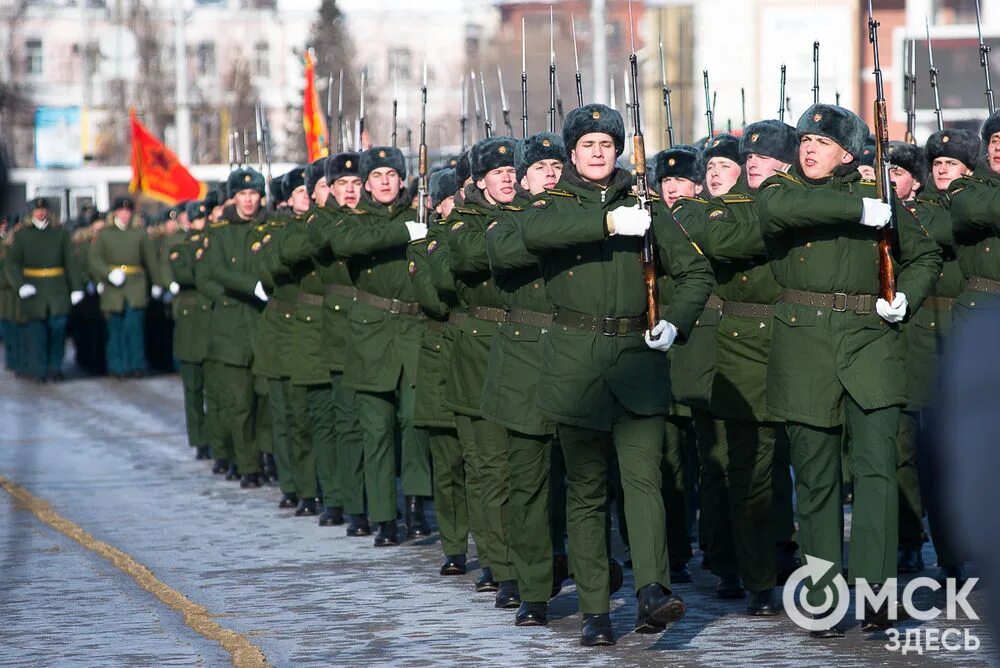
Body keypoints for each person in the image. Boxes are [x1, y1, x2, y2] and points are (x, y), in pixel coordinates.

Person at [520, 103, 714, 646]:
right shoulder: (552, 203)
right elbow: (535, 234)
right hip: (576, 362)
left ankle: (653, 589)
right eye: (588, 145)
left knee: (643, 481)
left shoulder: (645, 204)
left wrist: (674, 323)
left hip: (636, 358)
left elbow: (696, 271)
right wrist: (607, 222)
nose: (599, 153)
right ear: (572, 152)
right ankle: (595, 608)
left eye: (607, 144)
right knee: (585, 491)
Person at [757, 103, 942, 636]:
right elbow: (780, 214)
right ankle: (821, 597)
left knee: (878, 470)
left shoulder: (879, 196)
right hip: (805, 344)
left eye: (822, 144)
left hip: (869, 341)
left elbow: (925, 256)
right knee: (816, 478)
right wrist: (860, 209)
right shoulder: (781, 190)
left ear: (848, 152)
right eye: (804, 142)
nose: (808, 149)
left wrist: (905, 297)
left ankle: (878, 594)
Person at [698, 120, 800, 615]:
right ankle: (758, 577)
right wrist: (788, 220)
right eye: (749, 156)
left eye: (764, 156)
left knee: (815, 468)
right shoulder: (725, 209)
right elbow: (723, 245)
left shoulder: (807, 200)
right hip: (743, 342)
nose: (752, 162)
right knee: (750, 471)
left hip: (803, 340)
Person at [482, 131, 571, 626]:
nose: (551, 175)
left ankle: (580, 566)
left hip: (577, 356)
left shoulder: (582, 214)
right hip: (524, 361)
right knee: (529, 481)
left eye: (558, 167)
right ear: (521, 178)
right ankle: (532, 585)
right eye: (540, 169)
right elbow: (507, 254)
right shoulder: (506, 221)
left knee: (581, 480)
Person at [328, 146, 431, 546]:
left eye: (392, 174)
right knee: (376, 431)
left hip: (413, 328)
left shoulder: (418, 215)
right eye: (377, 176)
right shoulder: (354, 221)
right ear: (367, 184)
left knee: (412, 422)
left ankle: (415, 505)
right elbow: (349, 245)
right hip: (371, 334)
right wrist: (404, 233)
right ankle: (384, 516)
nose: (385, 181)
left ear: (402, 180)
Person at [196, 167, 270, 487]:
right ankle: (247, 465)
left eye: (254, 194)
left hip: (263, 322)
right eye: (243, 194)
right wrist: (243, 288)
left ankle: (267, 457)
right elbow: (212, 272)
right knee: (239, 404)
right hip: (231, 326)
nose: (249, 200)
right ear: (234, 197)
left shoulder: (270, 226)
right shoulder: (221, 231)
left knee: (265, 399)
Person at [5, 197, 84, 382]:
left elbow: (70, 262)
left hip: (57, 288)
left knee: (58, 328)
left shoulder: (60, 234)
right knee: (37, 332)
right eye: (36, 210)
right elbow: (12, 264)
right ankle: (38, 369)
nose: (40, 213)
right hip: (34, 288)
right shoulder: (22, 235)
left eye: (43, 210)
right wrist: (21, 285)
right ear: (31, 212)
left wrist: (76, 287)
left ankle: (54, 367)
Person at [87, 196, 165, 379]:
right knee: (115, 330)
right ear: (115, 213)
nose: (124, 215)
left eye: (127, 211)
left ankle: (135, 365)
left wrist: (157, 283)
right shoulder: (105, 234)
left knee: (134, 328)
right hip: (113, 287)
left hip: (135, 286)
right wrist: (107, 274)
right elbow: (94, 260)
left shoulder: (139, 233)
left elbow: (150, 261)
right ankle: (117, 366)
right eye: (121, 211)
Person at [167, 200, 210, 459]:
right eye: (198, 220)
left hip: (211, 321)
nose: (202, 224)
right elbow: (184, 275)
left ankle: (214, 437)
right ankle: (199, 439)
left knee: (213, 390)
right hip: (189, 324)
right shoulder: (180, 247)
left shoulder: (212, 244)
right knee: (193, 388)